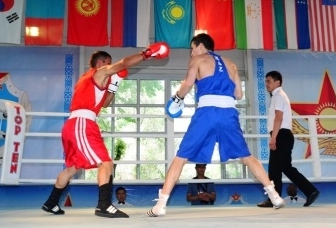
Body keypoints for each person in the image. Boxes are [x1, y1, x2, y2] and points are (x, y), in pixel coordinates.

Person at [146, 33, 285, 217]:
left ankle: (161, 205)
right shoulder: (231, 64)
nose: (191, 53)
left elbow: (187, 84)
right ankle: (274, 195)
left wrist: (177, 98)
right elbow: (238, 95)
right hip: (229, 112)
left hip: (207, 112)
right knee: (247, 156)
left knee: (181, 157)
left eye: (192, 48)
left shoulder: (198, 60)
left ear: (200, 46)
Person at [41, 42, 170, 218]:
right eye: (109, 64)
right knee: (106, 163)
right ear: (102, 63)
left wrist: (114, 85)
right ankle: (104, 205)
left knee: (72, 168)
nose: (111, 68)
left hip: (74, 125)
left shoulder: (88, 79)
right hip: (82, 124)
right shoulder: (99, 72)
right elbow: (124, 63)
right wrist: (147, 54)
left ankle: (51, 203)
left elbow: (106, 103)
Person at [257, 70, 319, 208]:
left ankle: (274, 199)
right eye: (266, 81)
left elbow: (278, 118)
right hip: (284, 135)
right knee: (287, 168)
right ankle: (311, 191)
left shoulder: (278, 96)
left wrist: (273, 138)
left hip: (281, 135)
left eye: (269, 81)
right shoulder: (278, 96)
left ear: (277, 82)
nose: (266, 84)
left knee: (274, 169)